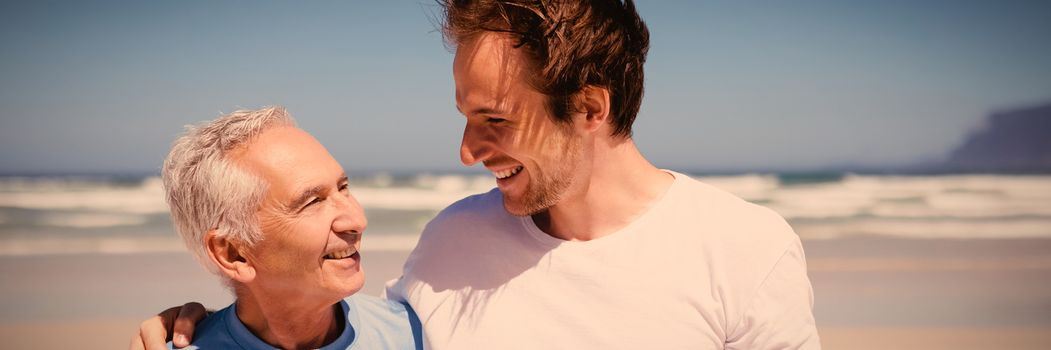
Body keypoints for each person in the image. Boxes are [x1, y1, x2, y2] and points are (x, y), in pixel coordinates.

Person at [135, 1, 819, 349]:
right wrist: (217, 324)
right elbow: (347, 328)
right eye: (465, 116)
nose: (467, 150)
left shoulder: (744, 248)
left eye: (494, 120)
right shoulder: (452, 241)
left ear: (587, 108)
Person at [145, 107, 422, 349]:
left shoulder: (420, 337)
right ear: (234, 254)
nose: (357, 221)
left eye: (343, 187)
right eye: (313, 201)